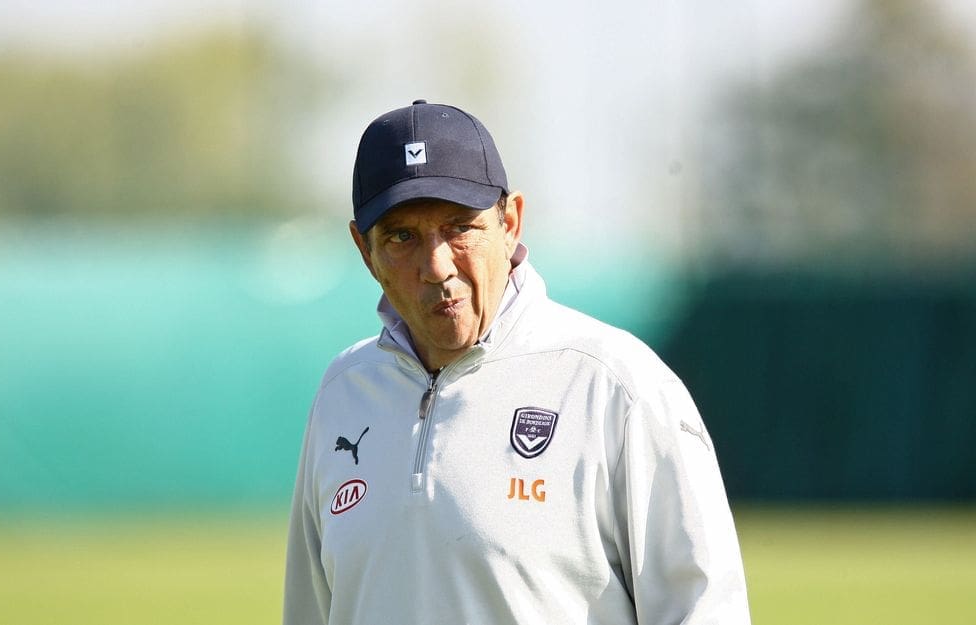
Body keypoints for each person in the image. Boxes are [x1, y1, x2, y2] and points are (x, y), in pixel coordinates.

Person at [283, 100, 750, 625]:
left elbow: (704, 610)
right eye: (401, 236)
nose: (436, 266)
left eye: (460, 227)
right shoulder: (343, 392)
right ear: (364, 250)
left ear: (510, 223)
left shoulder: (616, 386)